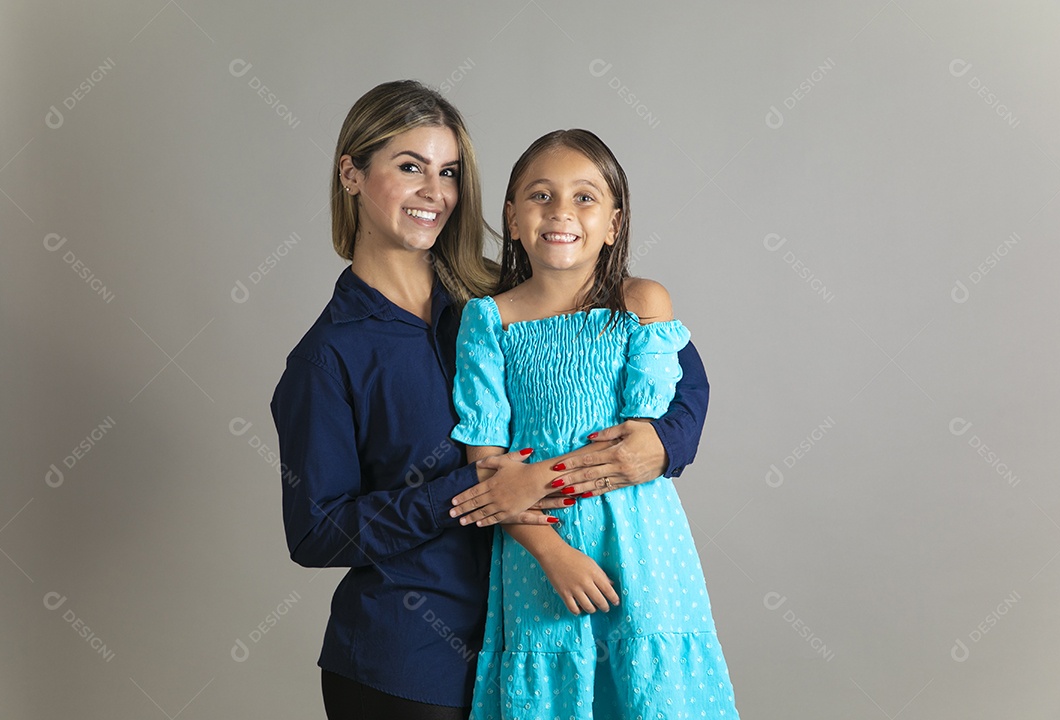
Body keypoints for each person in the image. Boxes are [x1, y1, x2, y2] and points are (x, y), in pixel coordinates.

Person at [270, 81, 711, 720]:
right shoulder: (329, 356)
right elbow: (315, 531)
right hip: (409, 668)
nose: (434, 192)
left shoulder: (506, 301)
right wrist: (476, 494)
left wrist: (664, 442)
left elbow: (683, 374)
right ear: (352, 174)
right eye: (409, 167)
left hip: (550, 638)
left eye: (448, 172)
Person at [450, 129, 739, 719]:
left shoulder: (643, 305)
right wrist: (551, 552)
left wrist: (540, 476)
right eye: (540, 196)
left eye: (585, 197)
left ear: (614, 222)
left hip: (641, 539)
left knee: (653, 692)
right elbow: (489, 469)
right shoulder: (487, 322)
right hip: (538, 550)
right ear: (510, 217)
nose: (561, 211)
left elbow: (638, 442)